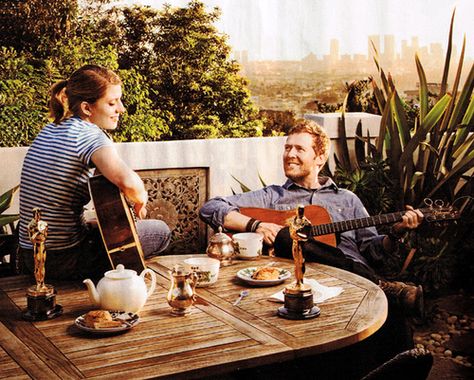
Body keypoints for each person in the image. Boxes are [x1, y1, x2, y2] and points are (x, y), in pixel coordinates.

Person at [199, 119, 424, 315]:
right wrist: (255, 224)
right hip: (299, 280)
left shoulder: (347, 199)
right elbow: (211, 207)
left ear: (320, 158)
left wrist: (395, 233)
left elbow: (372, 252)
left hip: (353, 278)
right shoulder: (272, 196)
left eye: (299, 149)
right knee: (290, 236)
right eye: (287, 148)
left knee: (397, 327)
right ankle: (382, 286)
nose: (290, 154)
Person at [19, 64, 171, 280]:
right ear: (87, 108)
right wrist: (140, 203)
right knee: (159, 231)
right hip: (64, 260)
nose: (121, 109)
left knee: (97, 226)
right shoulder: (89, 135)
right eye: (112, 103)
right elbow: (128, 182)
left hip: (31, 255)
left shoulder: (51, 129)